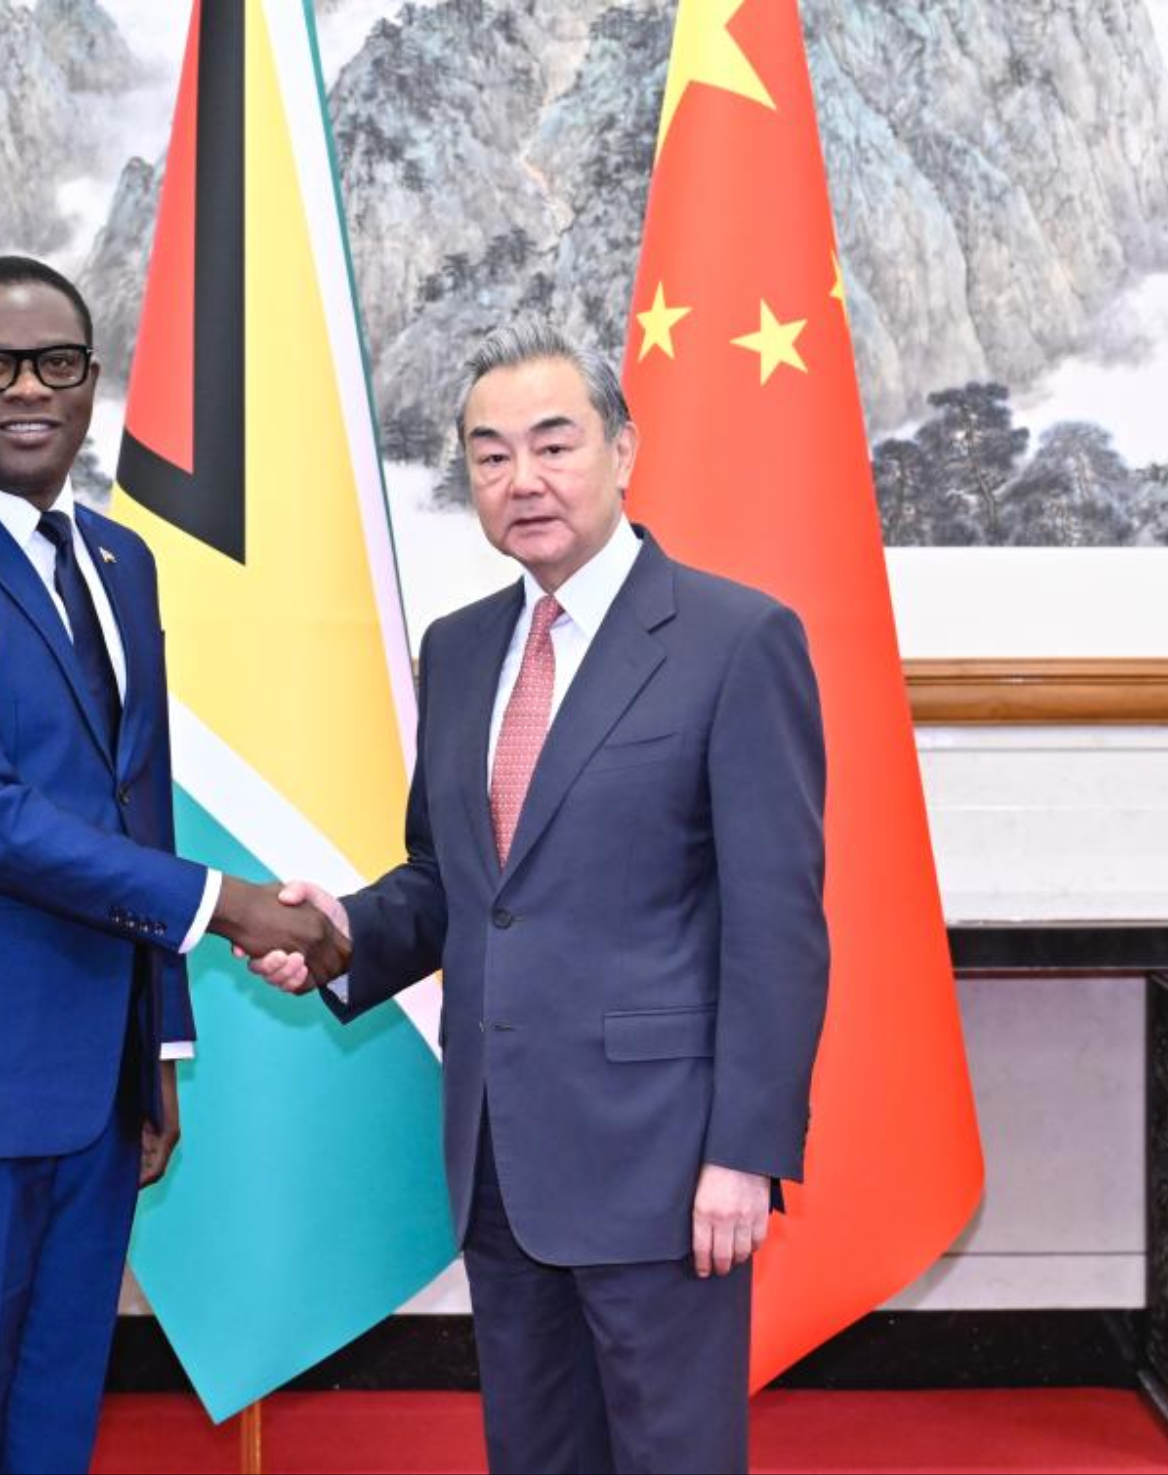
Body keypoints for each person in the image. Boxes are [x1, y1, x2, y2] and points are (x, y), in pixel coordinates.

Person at [248, 321, 829, 1474]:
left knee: (672, 1455)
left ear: (621, 451)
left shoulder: (734, 638)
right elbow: (455, 879)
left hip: (664, 1161)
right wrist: (343, 929)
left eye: (553, 444)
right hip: (499, 1152)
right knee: (535, 1454)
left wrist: (743, 1152)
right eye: (489, 454)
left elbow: (778, 921)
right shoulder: (461, 649)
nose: (523, 480)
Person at [0, 255, 346, 1475]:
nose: (24, 389)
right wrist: (229, 907)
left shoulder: (116, 561)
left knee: (52, 1424)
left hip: (91, 1087)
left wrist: (154, 1045)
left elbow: (128, 805)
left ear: (90, 380)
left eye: (54, 361)